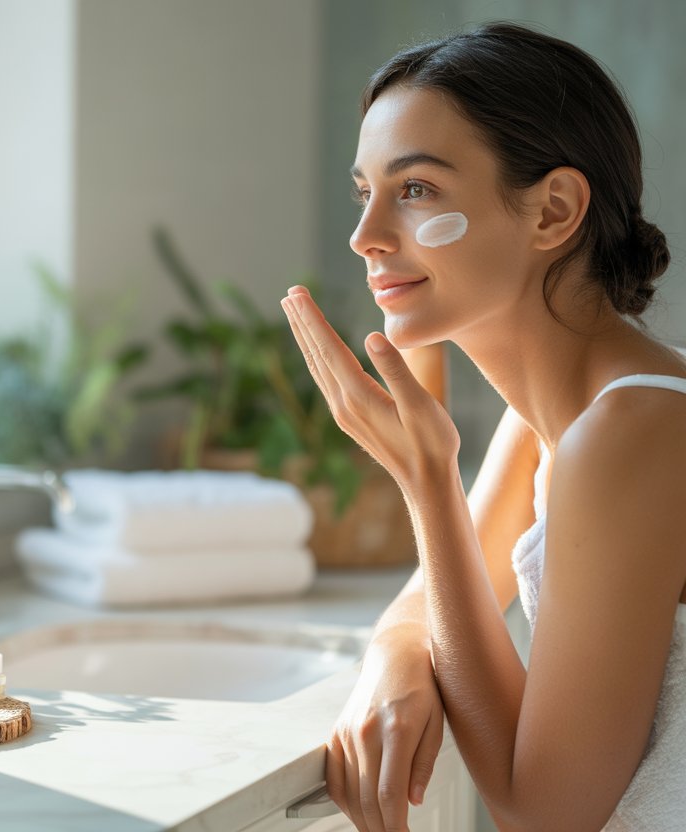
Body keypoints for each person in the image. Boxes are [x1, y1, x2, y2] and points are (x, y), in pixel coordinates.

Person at [280, 21, 686, 832]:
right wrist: (397, 654)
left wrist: (427, 477)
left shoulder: (631, 431)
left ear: (554, 211)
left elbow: (546, 816)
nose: (365, 238)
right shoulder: (558, 422)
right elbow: (432, 593)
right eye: (366, 192)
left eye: (417, 189)